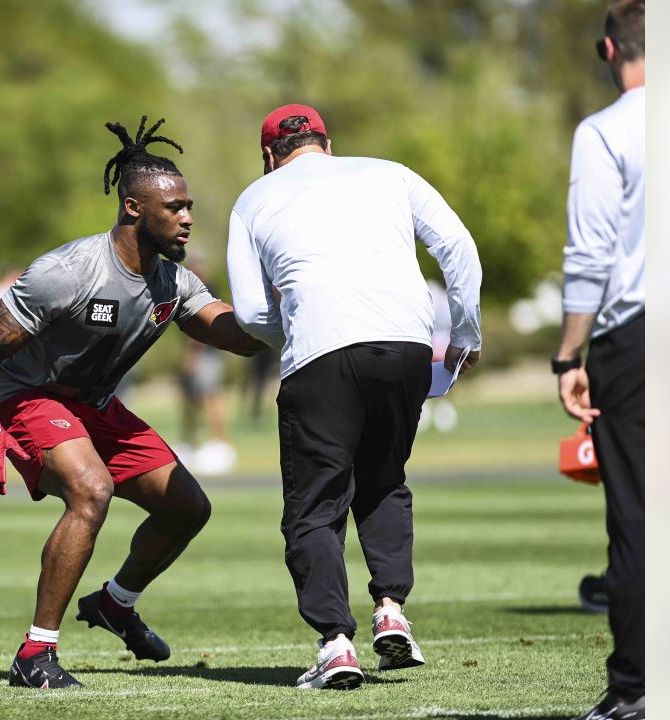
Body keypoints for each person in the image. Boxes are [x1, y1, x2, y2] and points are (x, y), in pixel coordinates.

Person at [0, 116, 265, 689]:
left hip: (96, 405)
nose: (187, 217)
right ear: (133, 208)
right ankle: (35, 654)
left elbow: (231, 334)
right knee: (91, 490)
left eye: (189, 205)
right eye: (175, 206)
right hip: (31, 397)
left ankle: (116, 604)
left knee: (188, 508)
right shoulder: (68, 271)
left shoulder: (172, 283)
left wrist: (289, 316)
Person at [227, 104, 482, 690]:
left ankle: (335, 643)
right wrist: (464, 338)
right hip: (407, 344)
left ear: (269, 156)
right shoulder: (391, 172)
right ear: (328, 143)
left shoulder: (253, 198)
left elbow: (247, 311)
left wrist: (296, 328)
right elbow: (459, 248)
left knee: (315, 504)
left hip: (320, 352)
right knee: (384, 478)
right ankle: (391, 609)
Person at [553, 3, 645, 718]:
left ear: (610, 49)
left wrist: (566, 356)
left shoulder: (606, 131)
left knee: (642, 518)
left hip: (639, 336)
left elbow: (590, 256)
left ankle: (637, 690)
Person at [175, 255, 235, 474]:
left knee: (210, 397)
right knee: (190, 399)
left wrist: (191, 358)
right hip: (205, 354)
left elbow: (200, 328)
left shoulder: (204, 289)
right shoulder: (200, 287)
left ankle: (220, 444)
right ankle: (189, 442)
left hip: (206, 355)